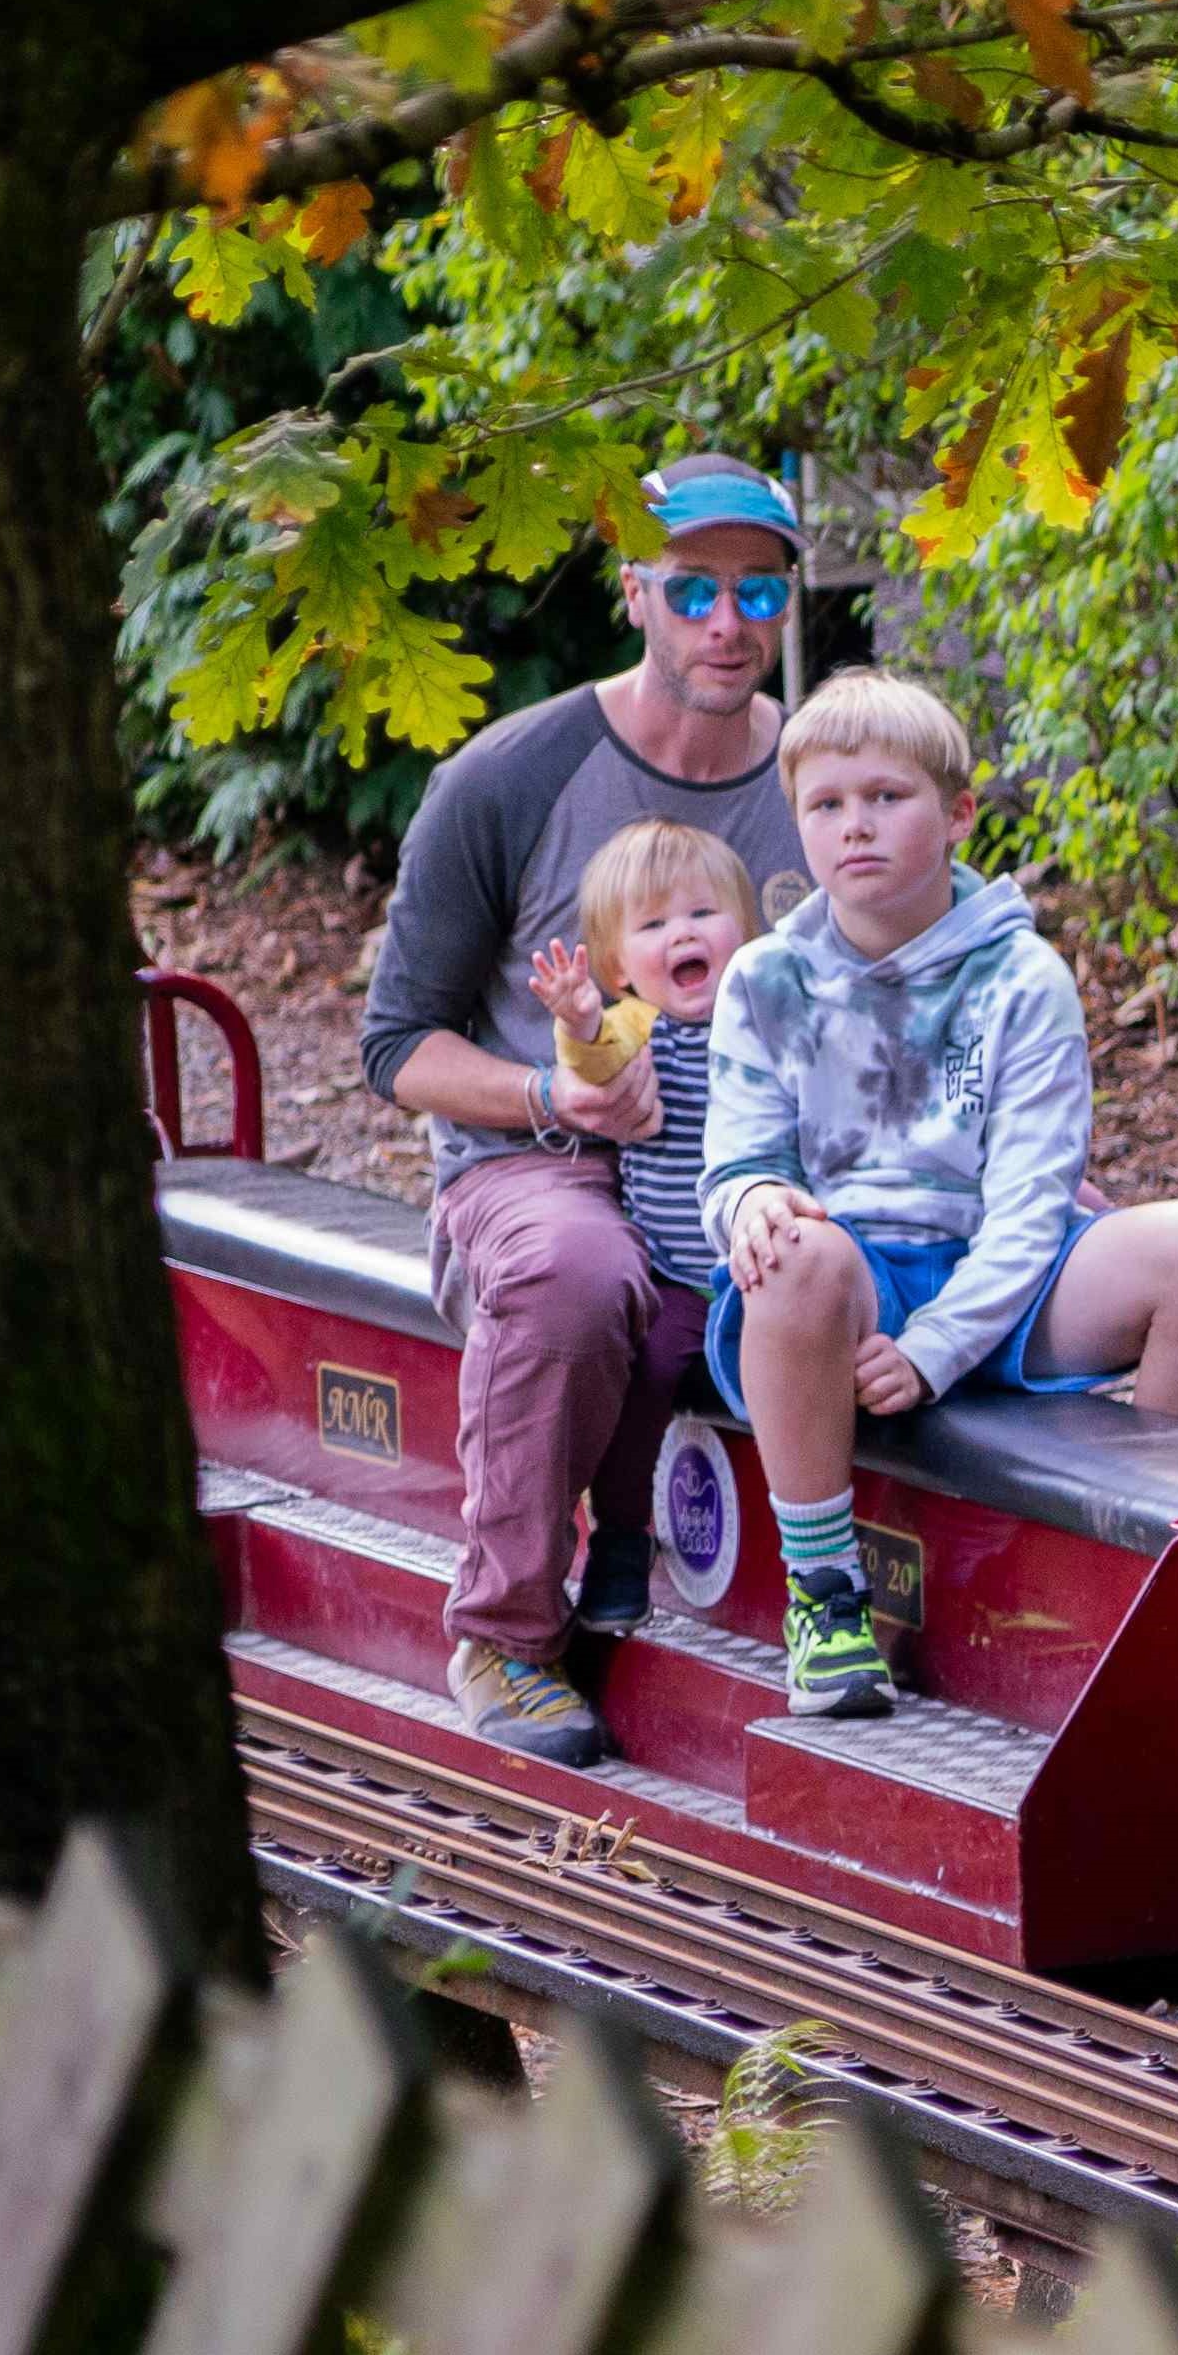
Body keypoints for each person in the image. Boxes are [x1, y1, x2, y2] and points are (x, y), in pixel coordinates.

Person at [360, 458, 809, 1765]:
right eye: (693, 588)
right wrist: (555, 1094)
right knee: (577, 1269)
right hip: (542, 1165)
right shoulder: (509, 778)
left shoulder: (827, 775)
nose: (725, 621)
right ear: (635, 593)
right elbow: (397, 1045)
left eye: (756, 588)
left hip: (771, 1146)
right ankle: (504, 1635)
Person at [702, 669, 1178, 1723]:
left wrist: (937, 1346)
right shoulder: (764, 980)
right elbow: (734, 1165)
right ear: (798, 825)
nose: (854, 827)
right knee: (795, 1247)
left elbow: (1032, 1202)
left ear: (957, 813)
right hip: (839, 1288)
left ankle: (1141, 1579)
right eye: (825, 805)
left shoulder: (1020, 976)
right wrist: (753, 1207)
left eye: (885, 797)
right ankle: (823, 1594)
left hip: (993, 1270)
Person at [521, 817, 764, 1631]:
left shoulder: (769, 1010)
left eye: (703, 914)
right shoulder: (635, 1028)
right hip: (682, 1272)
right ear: (622, 965)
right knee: (646, 1370)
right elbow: (591, 1061)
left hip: (772, 1261)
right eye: (655, 925)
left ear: (745, 930)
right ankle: (623, 1539)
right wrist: (580, 1017)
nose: (684, 934)